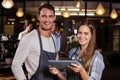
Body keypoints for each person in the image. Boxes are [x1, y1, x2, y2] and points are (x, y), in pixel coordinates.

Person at [12, 3, 58, 80]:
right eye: (44, 16)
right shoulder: (29, 38)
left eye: (50, 16)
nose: (47, 20)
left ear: (54, 18)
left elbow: (55, 62)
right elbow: (16, 64)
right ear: (38, 17)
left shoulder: (53, 38)